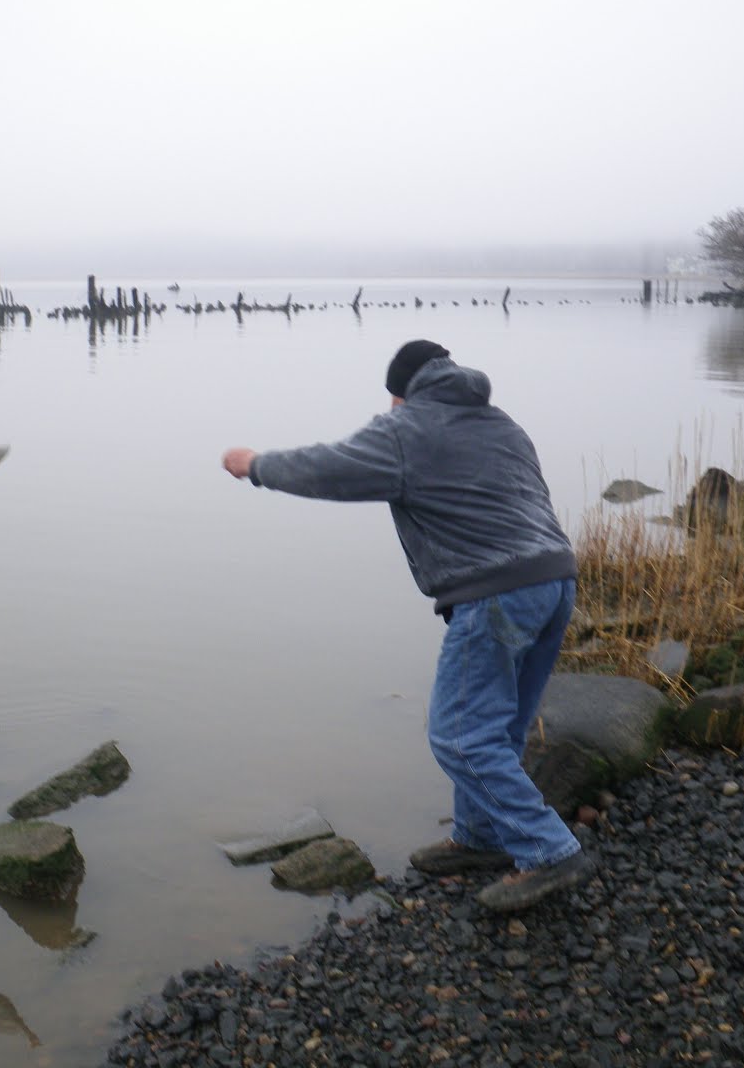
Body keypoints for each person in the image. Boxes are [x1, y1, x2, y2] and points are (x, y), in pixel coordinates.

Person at [221, 339, 591, 913]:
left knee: (460, 736)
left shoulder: (407, 430)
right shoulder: (502, 425)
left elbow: (333, 468)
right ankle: (482, 837)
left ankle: (550, 851)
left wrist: (256, 466)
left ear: (402, 392)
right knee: (500, 728)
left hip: (498, 593)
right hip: (556, 579)